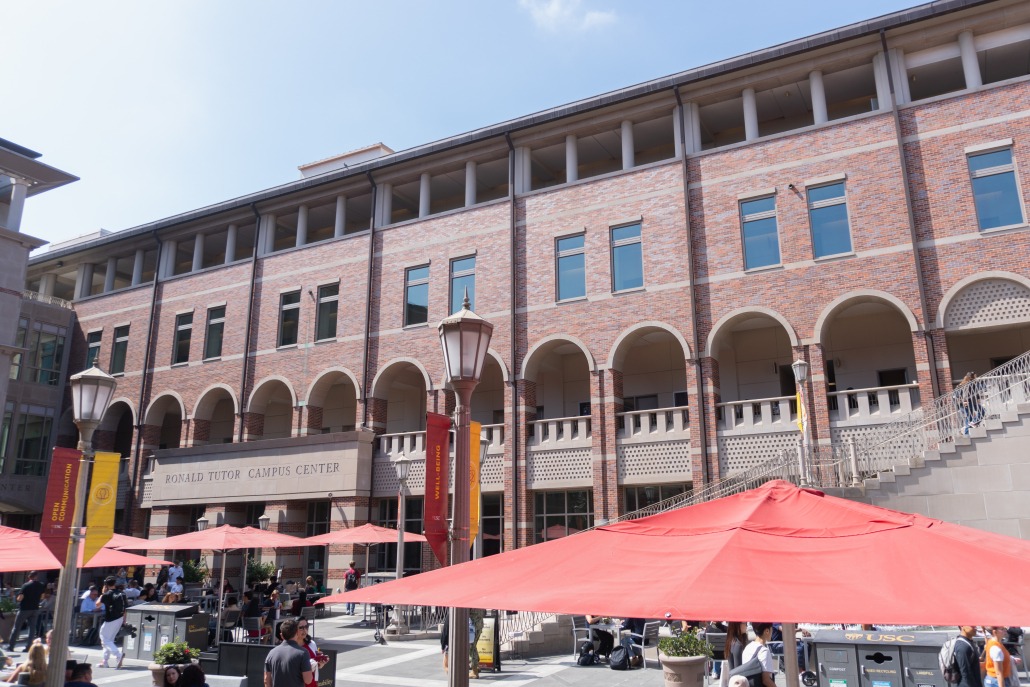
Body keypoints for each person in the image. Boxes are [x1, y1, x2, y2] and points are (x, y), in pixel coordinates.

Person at [263, 619, 312, 687]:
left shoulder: (271, 653)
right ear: (297, 633)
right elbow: (308, 680)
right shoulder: (303, 653)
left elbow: (266, 680)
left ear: (281, 635)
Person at [7, 571, 45, 652]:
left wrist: (17, 598)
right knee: (32, 629)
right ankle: (28, 647)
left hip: (24, 609)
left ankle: (11, 646)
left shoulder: (26, 585)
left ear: (29, 576)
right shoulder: (41, 585)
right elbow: (42, 597)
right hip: (35, 609)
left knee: (16, 628)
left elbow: (20, 598)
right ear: (36, 576)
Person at [99, 576, 126, 669]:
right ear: (115, 584)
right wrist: (124, 620)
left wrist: (102, 593)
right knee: (109, 640)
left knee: (104, 638)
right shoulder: (122, 594)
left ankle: (118, 655)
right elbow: (125, 608)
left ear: (106, 585)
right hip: (120, 618)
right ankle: (105, 661)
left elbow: (97, 604)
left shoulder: (107, 594)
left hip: (110, 619)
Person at [742, 622, 776, 687]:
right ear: (767, 631)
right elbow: (766, 680)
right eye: (772, 630)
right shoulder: (764, 651)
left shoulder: (747, 647)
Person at [297, 618, 328, 687]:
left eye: (306, 627)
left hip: (311, 682)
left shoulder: (311, 643)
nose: (304, 630)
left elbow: (316, 665)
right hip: (298, 682)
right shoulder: (291, 646)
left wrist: (320, 663)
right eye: (301, 628)